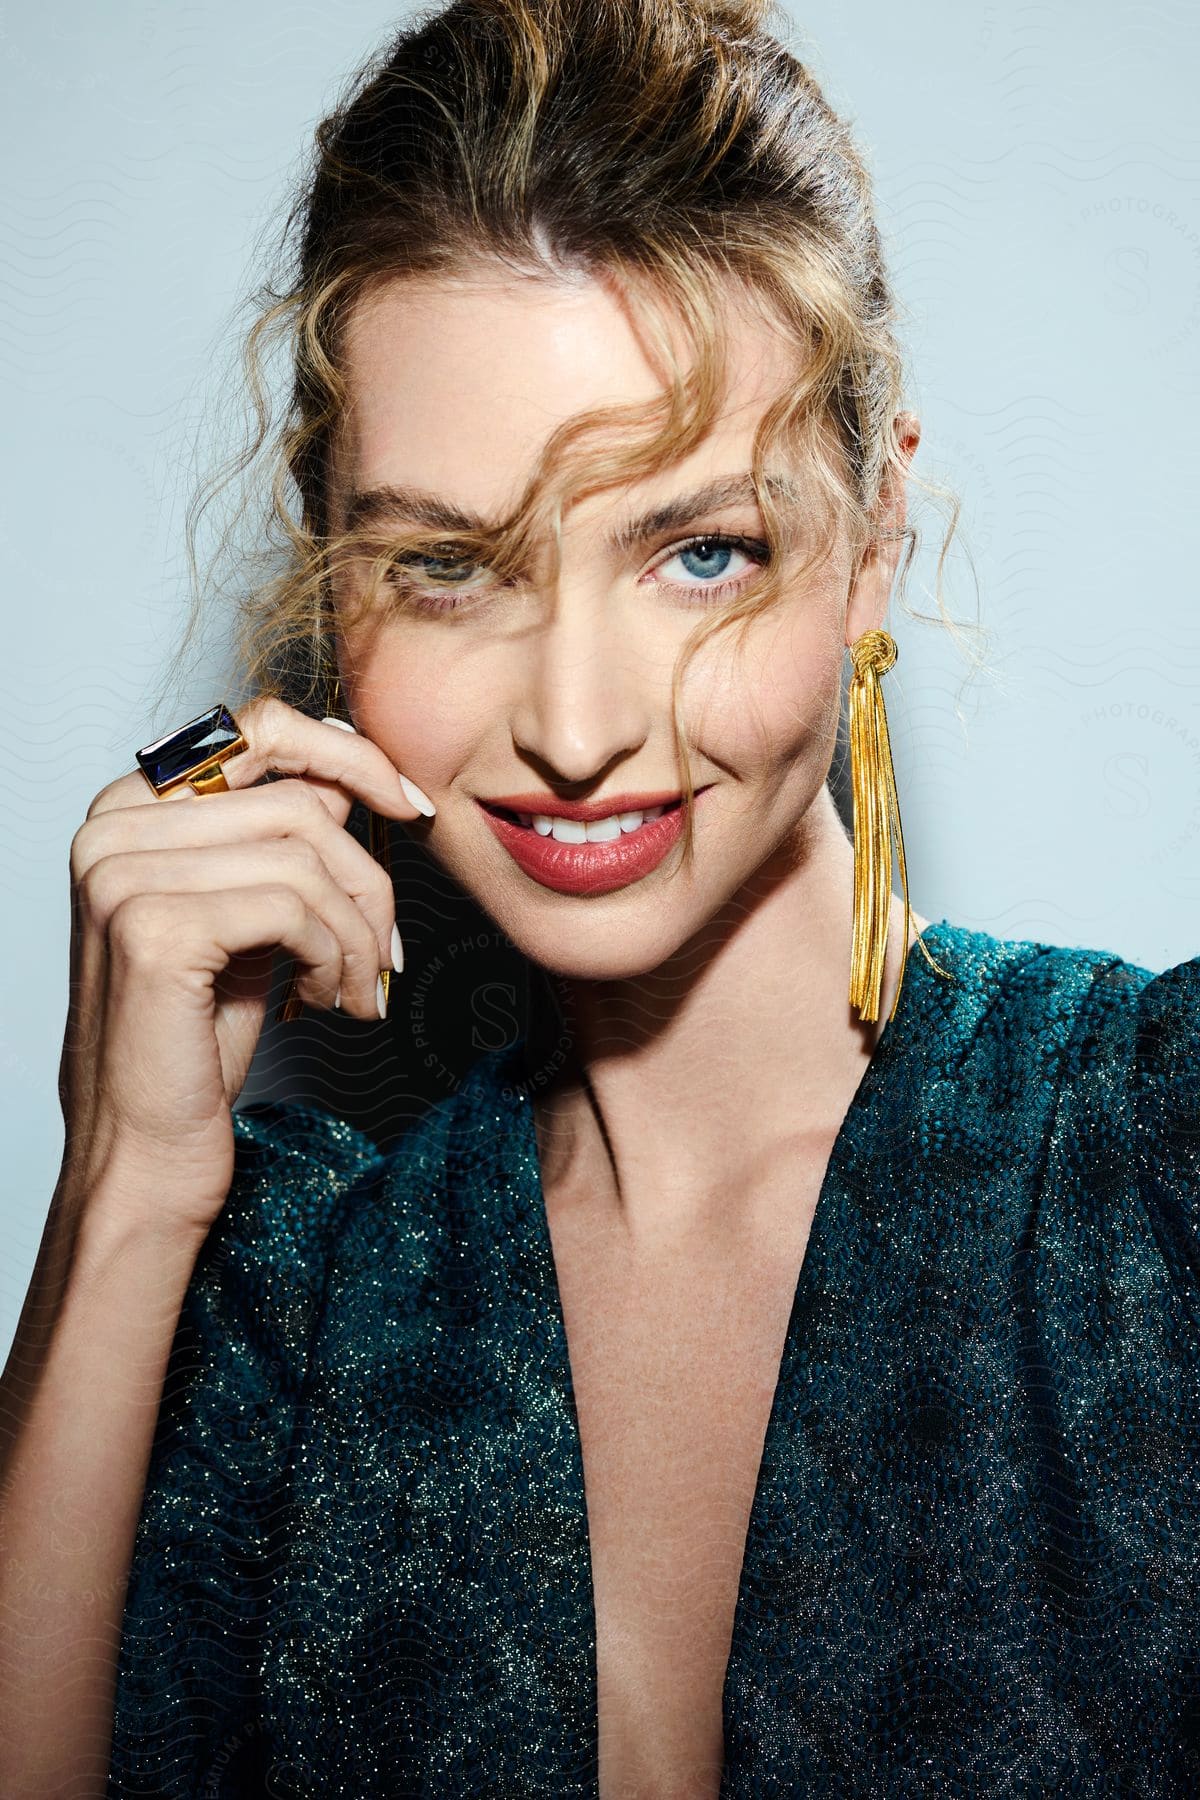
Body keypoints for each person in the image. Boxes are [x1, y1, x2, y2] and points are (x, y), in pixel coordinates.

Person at [1, 0, 1197, 1794]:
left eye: (699, 551)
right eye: (451, 565)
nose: (573, 727)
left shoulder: (1152, 1160)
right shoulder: (305, 1298)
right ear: (335, 581)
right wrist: (121, 1186)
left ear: (874, 543)